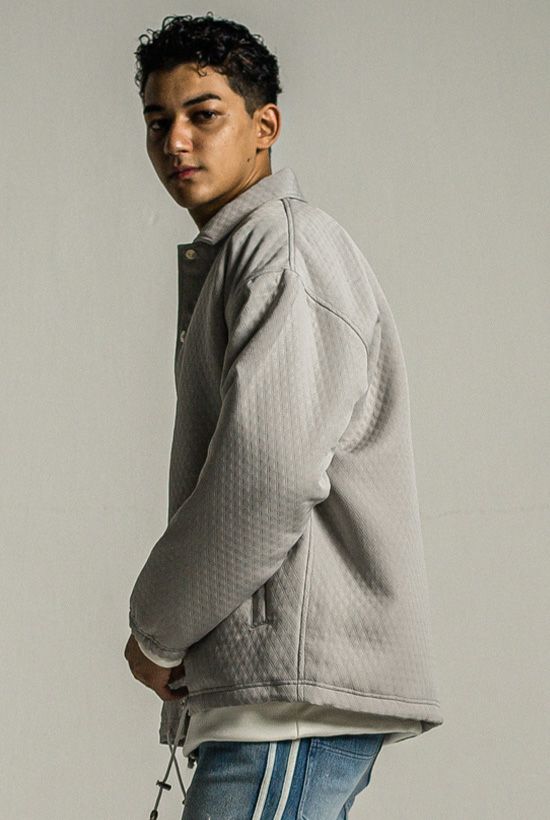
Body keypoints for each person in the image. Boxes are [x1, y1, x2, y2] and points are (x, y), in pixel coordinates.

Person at [124, 12, 443, 819]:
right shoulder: (247, 253)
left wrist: (158, 630)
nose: (176, 141)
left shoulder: (284, 248)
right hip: (272, 696)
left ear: (264, 126)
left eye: (203, 114)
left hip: (286, 703)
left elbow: (267, 475)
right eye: (158, 121)